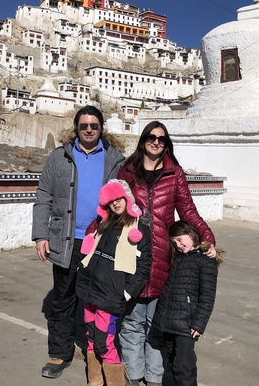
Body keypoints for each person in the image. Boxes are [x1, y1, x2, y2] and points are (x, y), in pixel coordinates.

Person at [115, 120, 217, 386]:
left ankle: (155, 379)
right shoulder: (127, 171)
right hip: (132, 255)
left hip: (163, 256)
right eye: (150, 137)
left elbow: (188, 211)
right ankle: (132, 376)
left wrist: (206, 238)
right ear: (143, 140)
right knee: (131, 325)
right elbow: (111, 206)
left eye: (161, 138)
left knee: (156, 327)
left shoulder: (175, 173)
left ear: (166, 143)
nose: (156, 142)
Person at [32, 105, 125, 379]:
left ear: (101, 128)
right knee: (62, 299)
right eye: (83, 125)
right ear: (76, 127)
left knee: (101, 302)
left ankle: (98, 352)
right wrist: (41, 235)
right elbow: (43, 196)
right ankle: (59, 353)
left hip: (101, 243)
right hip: (67, 241)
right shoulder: (59, 157)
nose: (88, 130)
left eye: (93, 126)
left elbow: (128, 198)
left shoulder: (115, 159)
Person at [76, 179, 151, 386]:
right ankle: (95, 381)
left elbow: (144, 267)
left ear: (127, 198)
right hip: (90, 289)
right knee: (91, 337)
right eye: (111, 201)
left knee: (104, 343)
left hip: (110, 295)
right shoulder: (104, 223)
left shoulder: (138, 228)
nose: (116, 203)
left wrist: (126, 292)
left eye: (119, 198)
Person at [152, 220, 223, 386]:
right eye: (174, 242)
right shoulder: (179, 259)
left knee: (184, 366)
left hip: (187, 325)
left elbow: (208, 296)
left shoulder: (205, 262)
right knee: (169, 363)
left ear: (191, 234)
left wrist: (199, 324)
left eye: (180, 239)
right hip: (169, 321)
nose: (178, 244)